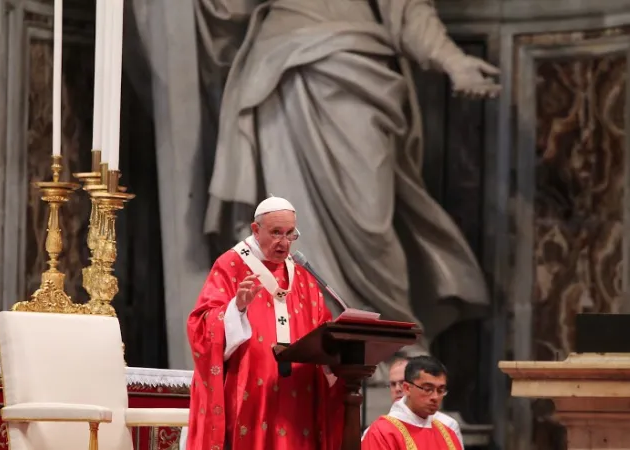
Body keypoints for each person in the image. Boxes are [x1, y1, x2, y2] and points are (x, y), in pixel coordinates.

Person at [196, 0, 497, 354]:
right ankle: (310, 342)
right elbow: (229, 10)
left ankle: (390, 343)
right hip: (281, 65)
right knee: (292, 226)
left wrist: (452, 60)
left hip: (355, 63)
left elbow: (406, 7)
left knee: (371, 225)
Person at [186, 196, 345, 450]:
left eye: (290, 234)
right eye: (276, 233)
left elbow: (322, 328)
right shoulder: (230, 265)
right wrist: (236, 307)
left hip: (298, 396)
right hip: (250, 393)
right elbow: (201, 327)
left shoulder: (302, 276)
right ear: (255, 230)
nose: (284, 242)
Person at [362, 356, 463, 449]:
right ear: (407, 388)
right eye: (428, 389)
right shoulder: (382, 432)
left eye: (440, 390)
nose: (435, 397)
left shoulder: (448, 433)